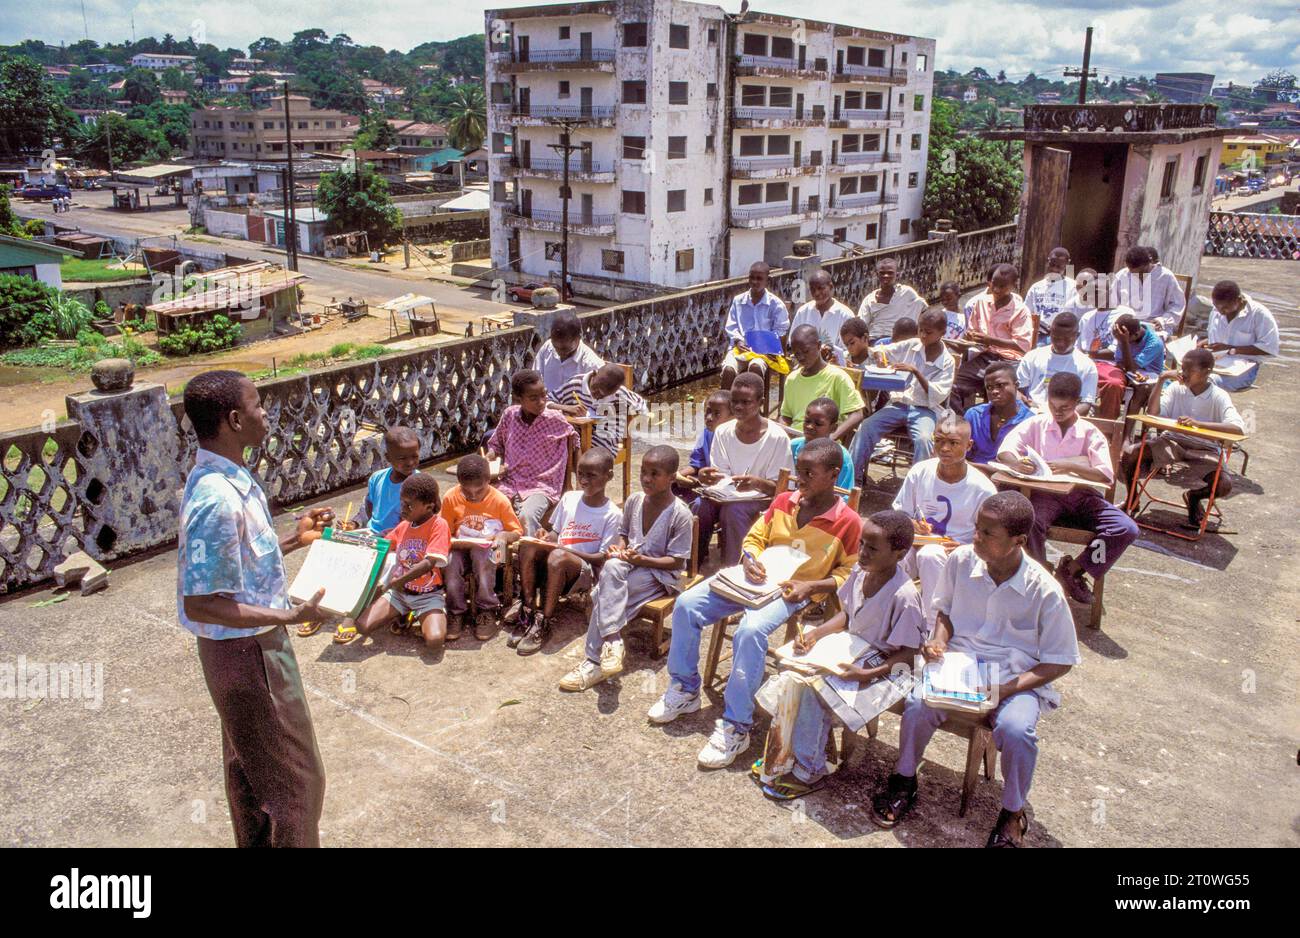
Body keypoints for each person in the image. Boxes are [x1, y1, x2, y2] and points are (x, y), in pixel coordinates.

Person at [869, 492, 1080, 848]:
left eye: (987, 533)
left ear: (1018, 541)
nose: (975, 538)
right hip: (961, 665)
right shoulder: (961, 561)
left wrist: (1004, 691)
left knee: (1017, 730)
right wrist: (939, 640)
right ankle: (904, 780)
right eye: (977, 529)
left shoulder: (1044, 591)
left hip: (1015, 678)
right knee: (919, 704)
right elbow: (946, 612)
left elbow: (1059, 660)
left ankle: (1012, 813)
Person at [178, 370, 330, 847]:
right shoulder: (217, 500)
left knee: (251, 775)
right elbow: (203, 604)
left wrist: (294, 538)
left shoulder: (229, 478)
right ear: (234, 419)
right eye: (258, 405)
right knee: (297, 786)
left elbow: (238, 567)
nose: (266, 414)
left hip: (247, 652)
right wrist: (290, 616)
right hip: (249, 657)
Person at [650, 438, 862, 769]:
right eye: (798, 470)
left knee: (750, 630)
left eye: (809, 472)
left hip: (792, 591)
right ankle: (685, 688)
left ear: (833, 474)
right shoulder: (783, 502)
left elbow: (849, 572)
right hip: (754, 578)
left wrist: (812, 585)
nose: (800, 478)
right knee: (688, 603)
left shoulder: (848, 521)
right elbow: (755, 538)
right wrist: (749, 558)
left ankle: (737, 725)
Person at [754, 510, 925, 800]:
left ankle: (811, 769)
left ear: (899, 553)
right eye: (861, 544)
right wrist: (815, 634)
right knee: (793, 675)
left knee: (814, 689)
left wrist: (866, 673)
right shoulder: (860, 571)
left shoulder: (904, 596)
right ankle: (787, 752)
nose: (863, 553)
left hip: (886, 668)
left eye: (872, 548)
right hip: (852, 649)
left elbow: (908, 655)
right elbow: (847, 616)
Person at [559, 446, 694, 692]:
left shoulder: (680, 514)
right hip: (629, 564)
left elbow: (676, 562)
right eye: (643, 471)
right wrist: (619, 549)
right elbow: (623, 534)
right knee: (611, 567)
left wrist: (640, 560)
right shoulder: (635, 500)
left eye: (655, 473)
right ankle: (613, 641)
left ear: (672, 477)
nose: (646, 478)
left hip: (658, 574)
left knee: (603, 594)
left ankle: (593, 661)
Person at [997, 372, 1138, 605]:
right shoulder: (1037, 423)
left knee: (1125, 528)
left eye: (1066, 406)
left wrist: (1069, 464)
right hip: (1047, 496)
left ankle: (1074, 570)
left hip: (1081, 496)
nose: (1058, 411)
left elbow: (1104, 473)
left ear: (1077, 403)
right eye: (1053, 405)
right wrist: (1016, 462)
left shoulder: (1090, 432)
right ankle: (1039, 578)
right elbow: (1006, 450)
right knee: (1030, 522)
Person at [308, 425, 421, 644]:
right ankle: (320, 608)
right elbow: (367, 509)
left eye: (414, 456)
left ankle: (353, 614)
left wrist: (393, 533)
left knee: (375, 564)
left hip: (400, 541)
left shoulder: (418, 483)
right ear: (388, 457)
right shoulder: (378, 478)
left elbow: (419, 519)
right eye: (402, 458)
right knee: (330, 548)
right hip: (373, 534)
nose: (410, 463)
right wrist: (353, 523)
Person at [509, 448, 620, 656]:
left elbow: (602, 558)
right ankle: (528, 610)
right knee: (528, 544)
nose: (584, 480)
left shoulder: (612, 514)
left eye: (592, 475)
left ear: (609, 476)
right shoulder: (569, 498)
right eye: (581, 474)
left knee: (558, 556)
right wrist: (545, 538)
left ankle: (544, 621)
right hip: (556, 559)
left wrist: (562, 549)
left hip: (583, 571)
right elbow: (556, 533)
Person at [1123, 348, 1246, 528]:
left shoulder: (1218, 396)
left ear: (1206, 372)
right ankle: (1131, 499)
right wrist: (1162, 379)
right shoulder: (1176, 388)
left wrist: (1198, 424)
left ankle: (1194, 497)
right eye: (1182, 368)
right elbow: (1153, 414)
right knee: (1130, 453)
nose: (1183, 373)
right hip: (1172, 441)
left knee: (1224, 485)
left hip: (1205, 448)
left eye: (1190, 370)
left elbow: (1237, 429)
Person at [893, 413, 997, 625]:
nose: (945, 448)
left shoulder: (982, 488)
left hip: (958, 551)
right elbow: (899, 514)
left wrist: (965, 547)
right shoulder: (921, 471)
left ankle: (934, 624)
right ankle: (892, 614)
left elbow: (990, 535)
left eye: (953, 443)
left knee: (930, 556)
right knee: (894, 554)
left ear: (968, 446)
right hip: (918, 542)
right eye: (939, 441)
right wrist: (912, 524)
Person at [696, 372, 794, 564]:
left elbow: (783, 489)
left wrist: (757, 483)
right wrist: (706, 477)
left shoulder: (777, 438)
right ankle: (694, 562)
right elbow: (720, 475)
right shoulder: (723, 431)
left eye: (746, 402)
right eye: (734, 401)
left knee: (733, 511)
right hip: (729, 495)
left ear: (760, 402)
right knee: (701, 506)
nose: (738, 407)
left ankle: (736, 566)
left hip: (761, 499)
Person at [850, 307, 955, 485]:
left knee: (924, 440)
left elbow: (939, 394)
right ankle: (853, 481)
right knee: (865, 428)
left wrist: (915, 372)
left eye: (928, 332)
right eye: (920, 330)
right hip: (898, 405)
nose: (922, 335)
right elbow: (884, 350)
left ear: (942, 333)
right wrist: (876, 354)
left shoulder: (947, 361)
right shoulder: (912, 345)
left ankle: (916, 487)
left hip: (925, 410)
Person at [352, 473, 452, 653]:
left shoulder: (439, 525)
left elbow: (429, 563)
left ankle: (423, 614)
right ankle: (404, 613)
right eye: (402, 502)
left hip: (427, 595)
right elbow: (384, 546)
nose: (402, 508)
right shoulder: (404, 525)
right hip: (399, 594)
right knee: (361, 626)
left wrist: (399, 580)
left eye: (409, 505)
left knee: (435, 641)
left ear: (428, 506)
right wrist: (357, 542)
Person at [440, 454, 523, 642]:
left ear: (489, 481)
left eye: (479, 490)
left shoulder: (500, 500)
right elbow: (445, 532)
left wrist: (502, 536)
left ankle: (487, 609)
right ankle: (456, 611)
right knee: (450, 562)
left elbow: (516, 531)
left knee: (483, 556)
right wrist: (453, 542)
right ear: (459, 483)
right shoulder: (450, 498)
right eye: (467, 492)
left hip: (494, 551)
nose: (473, 496)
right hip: (462, 547)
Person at [486, 369, 578, 536]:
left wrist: (575, 484)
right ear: (518, 399)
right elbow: (495, 444)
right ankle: (496, 556)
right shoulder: (510, 415)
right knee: (485, 509)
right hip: (509, 482)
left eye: (544, 395)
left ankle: (530, 555)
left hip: (541, 486)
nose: (542, 402)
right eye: (534, 398)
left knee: (526, 516)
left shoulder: (555, 420)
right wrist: (489, 458)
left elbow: (575, 444)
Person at [948, 263, 1033, 414]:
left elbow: (1023, 346)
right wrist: (969, 339)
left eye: (1002, 286)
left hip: (1010, 361)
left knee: (1008, 394)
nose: (996, 290)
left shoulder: (1020, 310)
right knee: (952, 383)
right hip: (985, 356)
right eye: (994, 284)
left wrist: (990, 340)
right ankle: (963, 424)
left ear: (1013, 286)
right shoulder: (981, 302)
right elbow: (973, 332)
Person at [777, 324, 865, 442]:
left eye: (806, 351)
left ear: (818, 345)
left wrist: (830, 438)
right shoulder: (792, 379)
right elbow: (786, 416)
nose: (801, 357)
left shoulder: (837, 377)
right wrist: (782, 432)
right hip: (796, 441)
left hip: (824, 444)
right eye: (797, 354)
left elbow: (856, 415)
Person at [675, 389, 731, 559]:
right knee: (666, 487)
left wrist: (699, 481)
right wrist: (676, 475)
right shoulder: (707, 433)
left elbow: (725, 476)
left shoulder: (733, 438)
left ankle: (697, 553)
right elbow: (697, 463)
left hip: (723, 492)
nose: (709, 417)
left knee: (700, 506)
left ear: (732, 417)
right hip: (704, 484)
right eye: (707, 411)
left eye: (716, 414)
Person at [721, 262, 790, 389]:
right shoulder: (739, 300)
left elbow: (781, 330)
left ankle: (754, 405)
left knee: (755, 367)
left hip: (763, 352)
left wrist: (768, 346)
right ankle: (726, 405)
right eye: (752, 278)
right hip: (741, 348)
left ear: (767, 281)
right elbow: (732, 326)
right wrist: (738, 341)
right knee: (729, 369)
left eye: (759, 279)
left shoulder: (776, 304)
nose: (755, 282)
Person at [555, 362, 648, 456]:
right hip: (579, 430)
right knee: (563, 443)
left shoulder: (619, 394)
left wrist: (619, 410)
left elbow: (642, 407)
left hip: (605, 435)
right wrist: (567, 408)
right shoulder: (575, 384)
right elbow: (548, 401)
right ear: (594, 374)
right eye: (595, 387)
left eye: (603, 395)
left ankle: (583, 468)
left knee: (592, 455)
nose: (596, 395)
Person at [1015, 311, 1098, 414]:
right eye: (1056, 338)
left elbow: (1085, 404)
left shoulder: (1087, 365)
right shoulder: (1032, 357)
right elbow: (1018, 391)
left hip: (1065, 419)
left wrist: (1056, 418)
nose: (1060, 343)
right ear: (1050, 332)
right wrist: (1024, 404)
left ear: (1077, 336)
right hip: (1032, 414)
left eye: (1067, 339)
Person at [1202, 280, 1279, 391]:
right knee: (1185, 377)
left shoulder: (1259, 314)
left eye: (1225, 308)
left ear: (1238, 300)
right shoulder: (1217, 311)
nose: (1220, 311)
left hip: (1243, 368)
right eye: (1216, 306)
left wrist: (1231, 349)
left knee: (1208, 382)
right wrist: (1204, 343)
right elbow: (1219, 338)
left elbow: (1269, 348)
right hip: (1216, 363)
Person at [965, 361, 1034, 465]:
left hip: (1008, 477)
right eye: (989, 387)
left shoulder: (1030, 422)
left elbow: (1027, 464)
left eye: (1000, 385)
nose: (994, 391)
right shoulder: (974, 415)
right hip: (973, 475)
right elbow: (961, 453)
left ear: (1016, 386)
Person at [791, 397, 855, 497]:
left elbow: (846, 496)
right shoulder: (792, 447)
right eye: (807, 421)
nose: (810, 426)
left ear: (833, 428)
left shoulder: (842, 457)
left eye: (818, 424)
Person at [536, 311, 604, 403]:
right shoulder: (547, 348)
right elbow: (535, 379)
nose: (559, 352)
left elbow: (603, 403)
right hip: (547, 408)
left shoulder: (592, 364)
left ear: (578, 338)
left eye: (564, 348)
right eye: (556, 347)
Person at [1115, 245, 1183, 336]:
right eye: (1133, 273)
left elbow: (1177, 305)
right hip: (1126, 325)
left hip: (1154, 327)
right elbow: (1113, 303)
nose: (1138, 276)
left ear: (1149, 263)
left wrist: (1162, 320)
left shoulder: (1166, 276)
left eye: (1141, 272)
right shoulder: (1122, 275)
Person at [790, 268, 855, 365]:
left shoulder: (845, 314)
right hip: (805, 365)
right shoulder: (803, 312)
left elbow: (850, 350)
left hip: (834, 367)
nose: (816, 293)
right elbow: (793, 343)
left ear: (831, 287)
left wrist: (832, 354)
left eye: (821, 288)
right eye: (813, 289)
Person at [857, 258, 927, 342]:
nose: (886, 276)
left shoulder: (906, 293)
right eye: (882, 273)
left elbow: (925, 310)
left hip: (900, 341)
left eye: (890, 273)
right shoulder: (869, 300)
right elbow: (860, 325)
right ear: (876, 274)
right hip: (875, 341)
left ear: (897, 274)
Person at [1023, 247, 1075, 345]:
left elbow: (1074, 316)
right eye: (1052, 264)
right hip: (1036, 335)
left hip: (1059, 337)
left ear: (1067, 264)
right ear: (1048, 261)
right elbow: (1026, 312)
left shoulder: (1073, 287)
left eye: (1059, 266)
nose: (1054, 269)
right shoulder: (1036, 287)